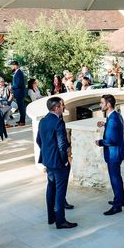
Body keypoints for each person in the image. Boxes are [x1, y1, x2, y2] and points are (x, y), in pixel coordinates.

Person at [37, 97, 76, 229]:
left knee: (51, 188)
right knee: (60, 192)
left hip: (48, 161)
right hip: (59, 163)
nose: (64, 107)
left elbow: (39, 140)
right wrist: (65, 161)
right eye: (62, 105)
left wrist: (48, 153)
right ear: (56, 108)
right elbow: (61, 144)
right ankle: (60, 221)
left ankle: (51, 218)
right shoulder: (58, 122)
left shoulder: (43, 121)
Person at [96, 94, 124, 216]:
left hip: (113, 154)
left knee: (115, 179)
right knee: (117, 177)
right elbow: (115, 129)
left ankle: (117, 205)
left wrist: (100, 142)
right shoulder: (115, 115)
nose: (100, 105)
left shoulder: (112, 119)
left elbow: (111, 140)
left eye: (102, 103)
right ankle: (121, 199)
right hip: (118, 152)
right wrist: (105, 124)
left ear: (108, 105)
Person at [11, 60, 27, 125]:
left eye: (12, 66)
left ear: (15, 66)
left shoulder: (19, 73)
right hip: (19, 93)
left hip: (20, 93)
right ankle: (21, 120)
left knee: (21, 107)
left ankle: (22, 121)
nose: (11, 68)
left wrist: (11, 86)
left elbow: (18, 84)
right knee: (20, 107)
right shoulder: (17, 72)